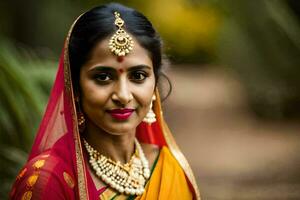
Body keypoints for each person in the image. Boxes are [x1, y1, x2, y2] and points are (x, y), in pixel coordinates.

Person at [10, 3, 200, 200]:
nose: (123, 95)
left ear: (154, 86)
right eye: (103, 77)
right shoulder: (48, 180)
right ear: (74, 86)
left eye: (138, 75)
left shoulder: (168, 166)